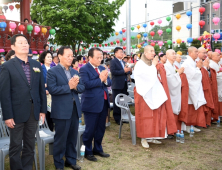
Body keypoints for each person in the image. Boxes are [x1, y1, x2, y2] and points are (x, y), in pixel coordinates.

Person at [0, 34, 47, 170]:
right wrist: (8, 116)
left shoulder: (36, 64)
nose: (25, 44)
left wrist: (42, 110)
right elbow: (4, 93)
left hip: (33, 111)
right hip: (15, 113)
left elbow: (40, 90)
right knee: (15, 146)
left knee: (30, 144)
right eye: (20, 43)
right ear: (13, 47)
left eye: (26, 42)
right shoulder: (7, 66)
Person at [47, 46, 84, 170]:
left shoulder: (74, 71)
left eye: (72, 55)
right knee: (60, 139)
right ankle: (58, 163)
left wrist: (75, 87)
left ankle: (71, 160)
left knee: (72, 137)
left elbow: (82, 87)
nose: (70, 58)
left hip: (74, 109)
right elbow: (52, 89)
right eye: (68, 55)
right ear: (59, 56)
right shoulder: (53, 71)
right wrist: (68, 87)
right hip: (61, 110)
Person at [134, 45, 177, 148]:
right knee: (145, 117)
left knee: (155, 116)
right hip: (143, 95)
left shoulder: (152, 64)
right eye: (151, 51)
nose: (154, 53)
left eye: (154, 51)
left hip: (154, 94)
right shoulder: (140, 64)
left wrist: (154, 66)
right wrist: (153, 66)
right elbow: (146, 77)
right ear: (145, 53)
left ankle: (153, 136)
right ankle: (144, 138)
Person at [79, 48, 111, 162]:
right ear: (90, 58)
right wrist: (100, 79)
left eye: (101, 57)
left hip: (103, 102)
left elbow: (109, 82)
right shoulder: (84, 69)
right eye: (97, 57)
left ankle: (98, 148)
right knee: (90, 129)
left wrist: (106, 80)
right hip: (91, 103)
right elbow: (86, 84)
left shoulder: (102, 68)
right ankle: (88, 151)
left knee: (101, 128)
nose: (100, 59)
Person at [181, 47, 207, 132]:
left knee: (193, 107)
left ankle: (191, 124)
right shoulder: (187, 63)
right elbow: (192, 76)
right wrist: (198, 68)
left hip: (194, 88)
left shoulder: (192, 62)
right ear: (190, 53)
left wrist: (197, 68)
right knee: (189, 107)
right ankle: (187, 126)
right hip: (189, 89)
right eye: (196, 52)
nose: (197, 53)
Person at [164, 49, 187, 133]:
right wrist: (178, 74)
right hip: (170, 91)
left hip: (175, 91)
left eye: (175, 53)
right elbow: (169, 79)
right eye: (173, 54)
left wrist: (178, 73)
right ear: (167, 56)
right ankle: (170, 130)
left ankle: (175, 128)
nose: (175, 55)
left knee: (176, 108)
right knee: (170, 109)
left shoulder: (173, 66)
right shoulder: (165, 66)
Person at [110, 47, 131, 124]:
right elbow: (114, 72)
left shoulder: (123, 62)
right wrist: (123, 71)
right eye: (120, 52)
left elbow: (125, 72)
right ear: (115, 53)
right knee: (117, 101)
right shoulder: (113, 61)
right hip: (117, 84)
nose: (122, 54)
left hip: (124, 84)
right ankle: (117, 118)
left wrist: (128, 71)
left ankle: (123, 116)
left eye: (122, 52)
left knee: (123, 101)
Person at [197, 47, 218, 126]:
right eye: (203, 53)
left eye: (206, 53)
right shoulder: (196, 62)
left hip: (206, 87)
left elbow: (209, 75)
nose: (205, 55)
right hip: (200, 88)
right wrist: (205, 67)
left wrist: (208, 68)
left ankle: (207, 120)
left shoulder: (204, 62)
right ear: (198, 53)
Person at [39, 50, 54, 131]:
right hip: (44, 94)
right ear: (43, 58)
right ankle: (43, 129)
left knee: (51, 113)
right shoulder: (40, 69)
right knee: (45, 113)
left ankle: (51, 129)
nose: (50, 58)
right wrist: (44, 89)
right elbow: (39, 82)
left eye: (51, 57)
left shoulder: (53, 69)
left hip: (53, 94)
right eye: (48, 57)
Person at [210, 52, 222, 118]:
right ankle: (217, 115)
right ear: (213, 57)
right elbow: (213, 75)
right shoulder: (211, 64)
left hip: (220, 83)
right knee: (217, 98)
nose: (219, 56)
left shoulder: (219, 64)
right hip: (216, 84)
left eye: (219, 55)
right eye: (217, 55)